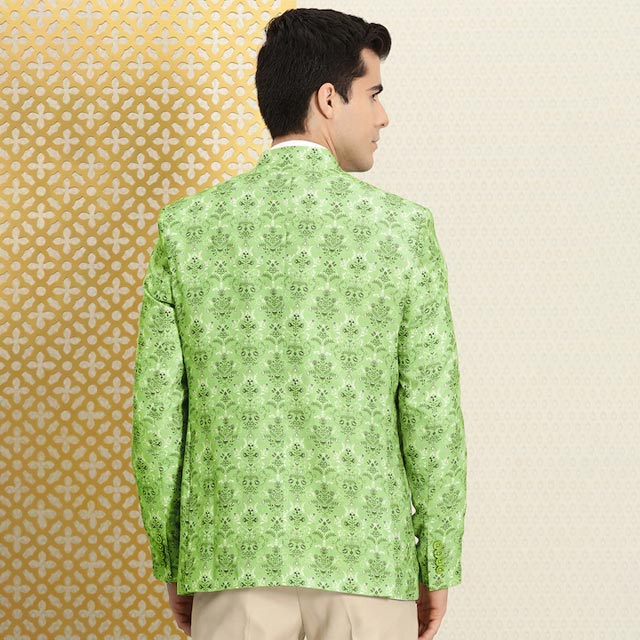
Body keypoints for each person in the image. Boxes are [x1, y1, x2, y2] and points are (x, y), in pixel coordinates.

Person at [130, 7, 467, 640]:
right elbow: (432, 414)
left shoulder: (187, 230)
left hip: (230, 559)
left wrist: (174, 560)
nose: (384, 117)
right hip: (368, 564)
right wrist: (437, 559)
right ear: (328, 98)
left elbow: (157, 418)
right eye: (374, 94)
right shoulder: (401, 231)